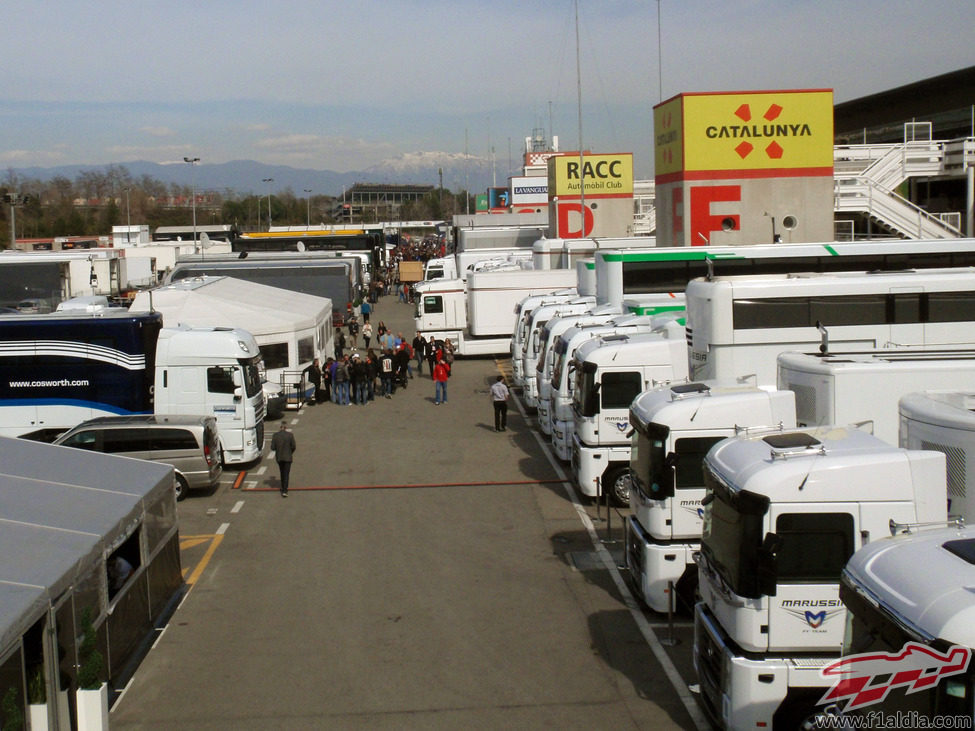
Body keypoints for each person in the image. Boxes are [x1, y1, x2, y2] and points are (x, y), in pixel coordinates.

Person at [270, 421, 297, 497]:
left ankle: (283, 487)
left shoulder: (275, 435)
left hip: (279, 457)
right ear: (286, 427)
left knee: (282, 472)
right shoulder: (290, 435)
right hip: (288, 457)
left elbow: (273, 447)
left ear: (280, 427)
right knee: (286, 473)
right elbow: (293, 446)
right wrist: (290, 452)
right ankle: (285, 490)